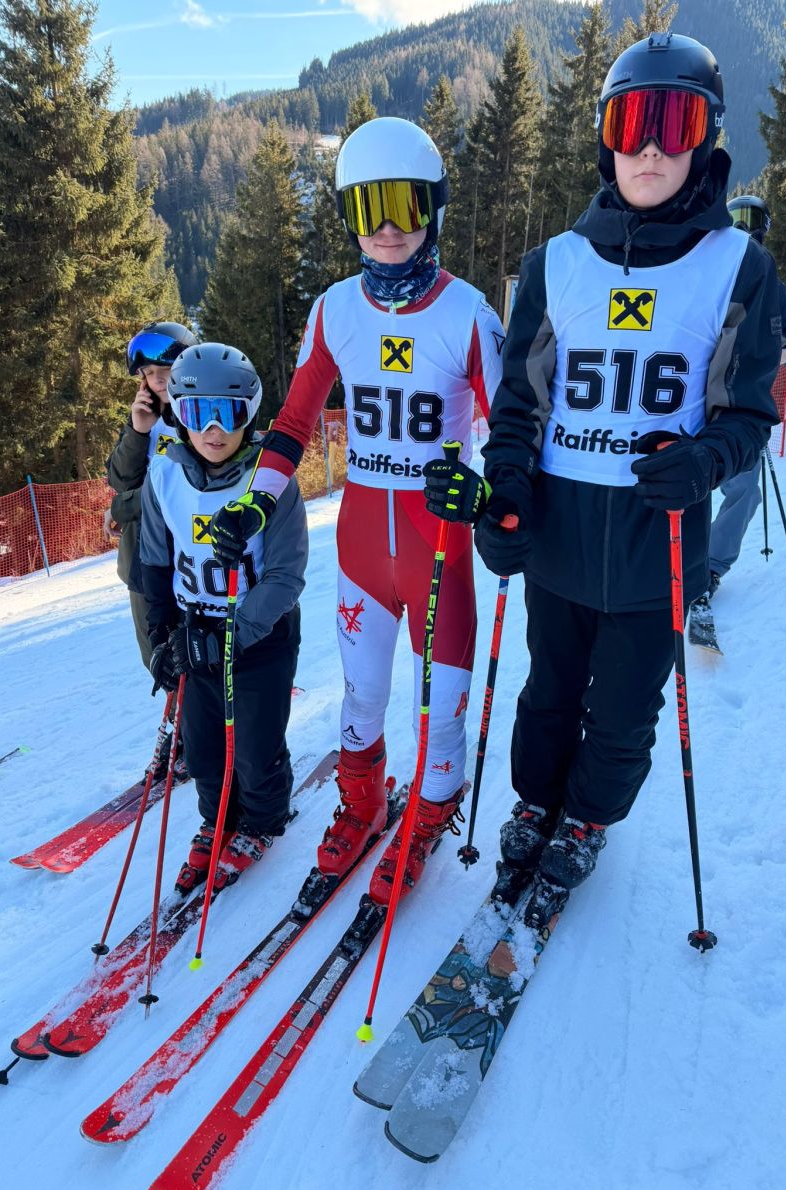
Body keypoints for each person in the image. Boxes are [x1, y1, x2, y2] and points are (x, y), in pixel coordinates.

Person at [423, 33, 782, 928]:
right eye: (631, 123)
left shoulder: (738, 266)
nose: (651, 147)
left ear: (706, 138)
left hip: (658, 544)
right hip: (562, 537)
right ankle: (535, 803)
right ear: (606, 139)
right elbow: (518, 408)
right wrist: (507, 495)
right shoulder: (555, 264)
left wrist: (704, 459)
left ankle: (586, 819)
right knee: (547, 693)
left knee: (623, 710)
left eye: (675, 122)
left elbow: (747, 415)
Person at [207, 118, 505, 905]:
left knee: (440, 712)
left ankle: (429, 815)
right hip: (363, 551)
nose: (387, 228)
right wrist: (254, 506)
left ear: (433, 209)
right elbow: (293, 422)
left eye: (406, 205)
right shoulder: (334, 309)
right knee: (362, 697)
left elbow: (510, 435)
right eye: (369, 208)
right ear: (349, 216)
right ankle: (363, 804)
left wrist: (486, 494)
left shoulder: (468, 313)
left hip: (438, 551)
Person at [140, 343, 308, 891]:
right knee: (204, 750)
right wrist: (162, 638)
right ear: (178, 414)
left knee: (256, 747)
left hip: (259, 638)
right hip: (195, 635)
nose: (213, 430)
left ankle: (262, 820)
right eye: (198, 413)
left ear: (249, 414)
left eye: (228, 413)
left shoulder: (270, 480)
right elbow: (154, 563)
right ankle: (218, 820)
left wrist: (234, 634)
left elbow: (285, 576)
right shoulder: (164, 476)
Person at [702, 194, 786, 594]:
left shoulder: (767, 280)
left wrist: (781, 354)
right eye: (738, 218)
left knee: (745, 491)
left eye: (751, 219)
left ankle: (710, 567)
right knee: (677, 482)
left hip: (740, 405)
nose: (744, 227)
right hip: (690, 399)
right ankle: (666, 561)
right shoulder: (705, 269)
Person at [106, 321, 199, 673]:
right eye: (147, 373)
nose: (156, 380)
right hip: (145, 561)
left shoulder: (202, 414)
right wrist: (137, 431)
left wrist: (122, 507)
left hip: (195, 555)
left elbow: (187, 484)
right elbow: (120, 478)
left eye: (164, 370)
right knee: (160, 658)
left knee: (200, 654)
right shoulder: (145, 418)